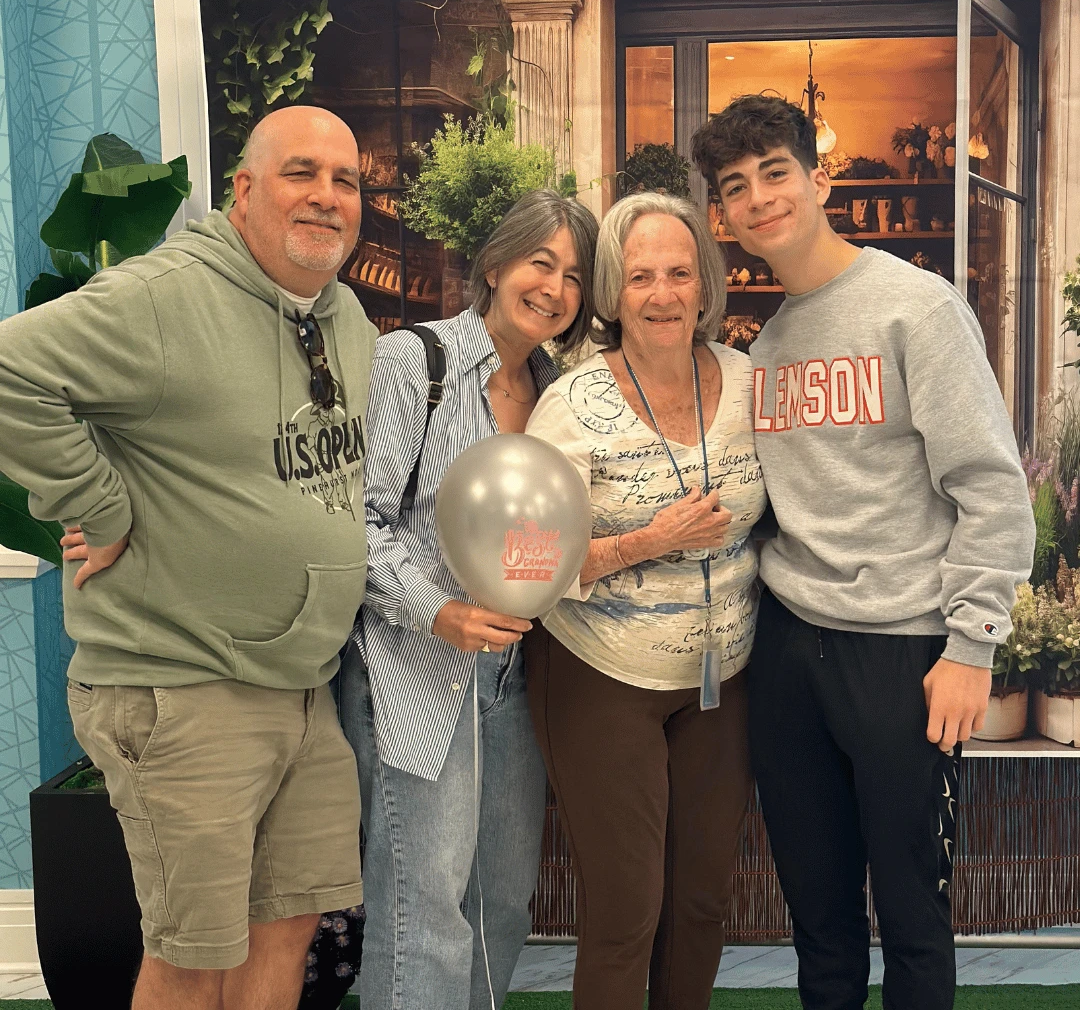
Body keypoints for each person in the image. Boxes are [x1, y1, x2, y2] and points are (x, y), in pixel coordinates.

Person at [0, 106, 376, 1010]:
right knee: (194, 954)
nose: (326, 196)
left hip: (301, 686)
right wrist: (100, 507)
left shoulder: (343, 315)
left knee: (290, 927)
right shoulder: (166, 297)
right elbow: (10, 370)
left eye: (347, 180)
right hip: (183, 683)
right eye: (301, 172)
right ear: (243, 190)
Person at [690, 94, 1036, 1010]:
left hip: (902, 652)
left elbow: (991, 487)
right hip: (787, 654)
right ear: (723, 216)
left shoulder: (917, 309)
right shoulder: (766, 345)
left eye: (776, 172)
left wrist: (971, 646)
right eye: (737, 187)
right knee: (819, 920)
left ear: (820, 180)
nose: (760, 198)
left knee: (915, 918)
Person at [339, 189, 599, 1010]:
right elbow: (356, 520)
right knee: (425, 911)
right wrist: (438, 611)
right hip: (414, 673)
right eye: (540, 263)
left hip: (515, 680)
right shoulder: (414, 363)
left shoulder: (560, 393)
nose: (554, 288)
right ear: (495, 265)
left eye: (574, 276)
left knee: (502, 904)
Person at [523, 191, 766, 1010]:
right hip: (601, 675)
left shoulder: (748, 381)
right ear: (611, 293)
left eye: (679, 273)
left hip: (722, 678)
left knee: (701, 903)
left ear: (706, 285)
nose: (662, 294)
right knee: (627, 912)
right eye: (640, 277)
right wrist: (647, 541)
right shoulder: (570, 406)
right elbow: (529, 561)